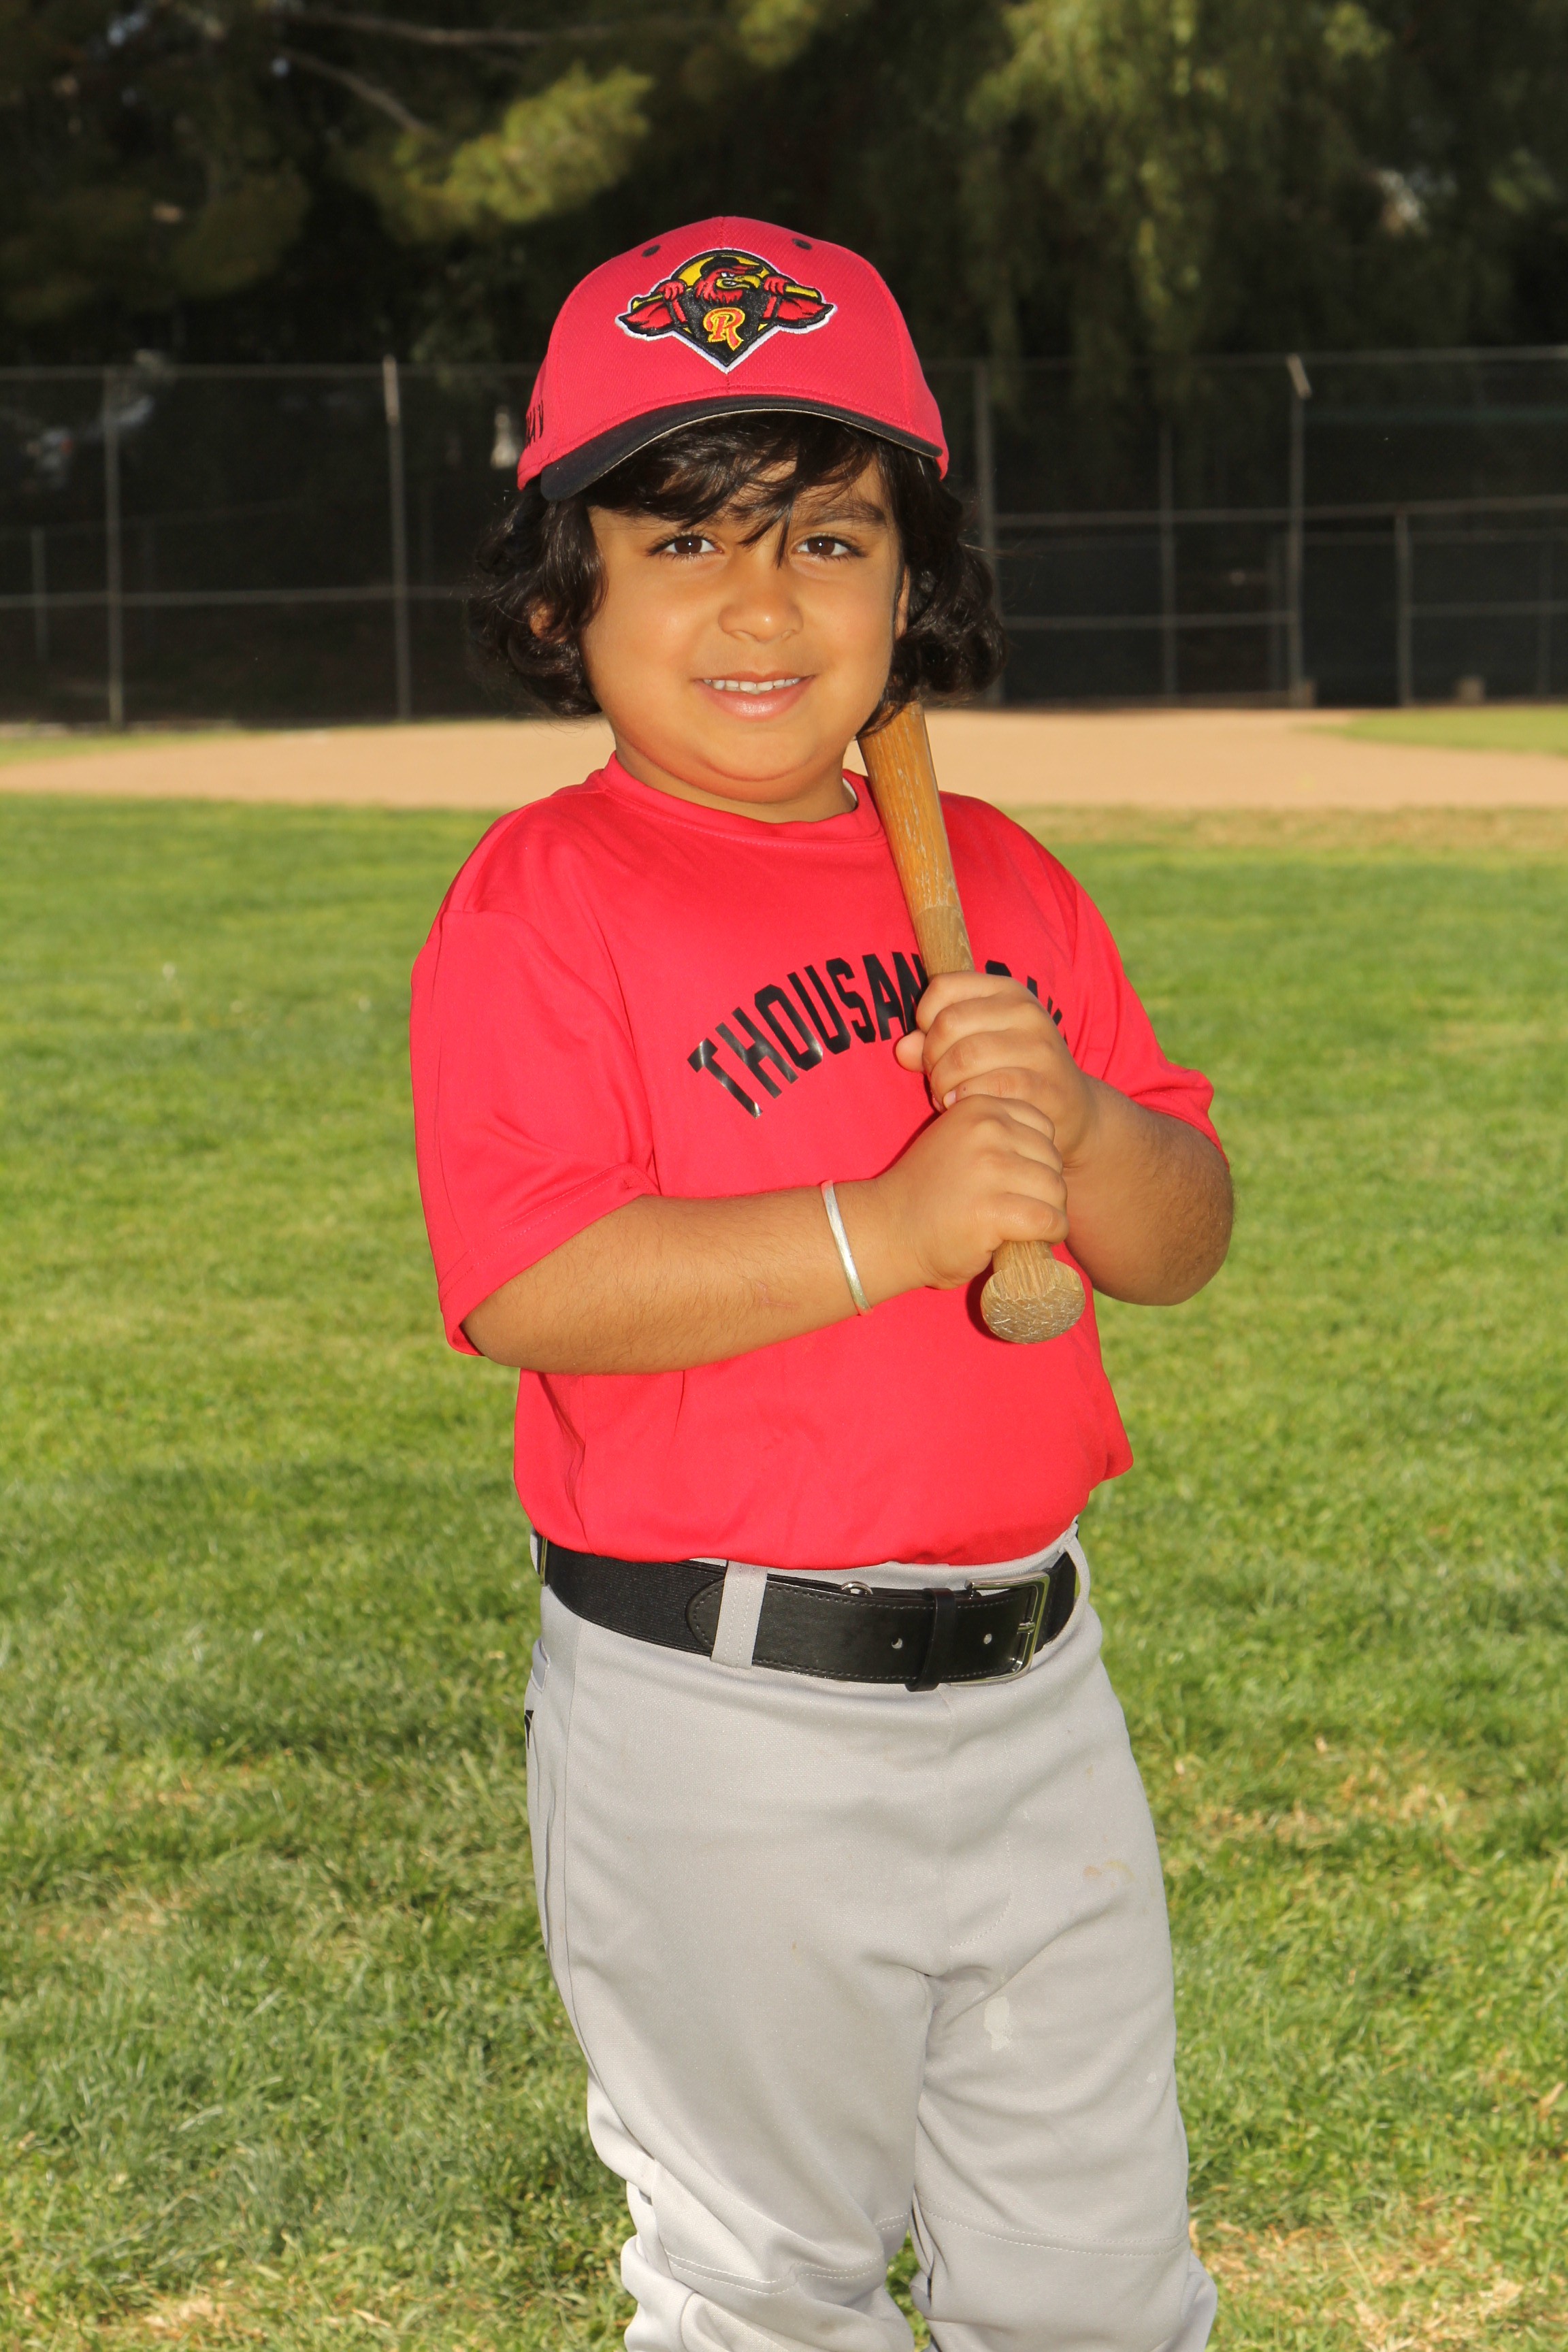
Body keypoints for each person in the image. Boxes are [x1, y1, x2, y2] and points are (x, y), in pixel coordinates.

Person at [410, 216, 1232, 2352]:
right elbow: (531, 1282)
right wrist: (896, 1225)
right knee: (767, 2286)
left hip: (1038, 1683)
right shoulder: (546, 899)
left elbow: (1178, 1240)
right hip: (723, 1719)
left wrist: (1078, 1121)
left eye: (830, 538)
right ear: (562, 591)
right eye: (682, 540)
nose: (762, 603)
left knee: (1098, 2286)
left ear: (911, 585)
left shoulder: (1008, 881)